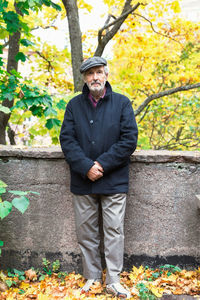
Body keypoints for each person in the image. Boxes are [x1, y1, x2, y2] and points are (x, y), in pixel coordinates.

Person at [59, 56, 138, 298]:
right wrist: (86, 167)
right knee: (86, 233)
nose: (95, 77)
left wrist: (101, 165)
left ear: (106, 75)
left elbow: (129, 140)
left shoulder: (123, 103)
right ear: (84, 78)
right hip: (83, 180)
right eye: (90, 73)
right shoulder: (74, 106)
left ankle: (113, 280)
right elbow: (67, 140)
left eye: (99, 72)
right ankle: (92, 277)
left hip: (114, 179)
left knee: (114, 230)